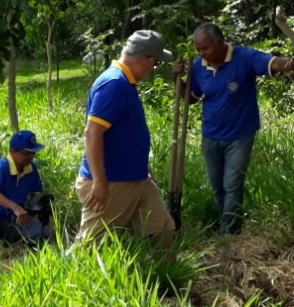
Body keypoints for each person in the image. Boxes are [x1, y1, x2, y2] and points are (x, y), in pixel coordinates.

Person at [172, 24, 294, 235]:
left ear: (221, 42)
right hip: (211, 134)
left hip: (240, 135)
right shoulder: (198, 66)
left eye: (205, 48)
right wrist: (176, 78)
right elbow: (191, 98)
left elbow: (276, 63)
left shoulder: (245, 57)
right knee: (217, 185)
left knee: (232, 184)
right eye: (198, 49)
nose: (201, 54)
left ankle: (228, 232)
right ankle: (228, 222)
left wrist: (289, 62)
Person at [75, 30, 176, 248]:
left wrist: (141, 168)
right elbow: (92, 133)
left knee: (162, 229)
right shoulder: (114, 84)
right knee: (91, 247)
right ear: (147, 61)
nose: (154, 69)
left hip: (137, 180)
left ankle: (163, 270)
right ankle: (65, 271)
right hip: (113, 181)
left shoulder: (125, 83)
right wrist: (100, 182)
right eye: (156, 63)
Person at [0, 130, 51, 245]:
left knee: (40, 232)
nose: (31, 157)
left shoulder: (31, 168)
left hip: (12, 217)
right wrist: (15, 207)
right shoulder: (0, 166)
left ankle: (4, 242)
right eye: (26, 153)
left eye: (33, 153)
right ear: (13, 151)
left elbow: (34, 193)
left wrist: (39, 205)